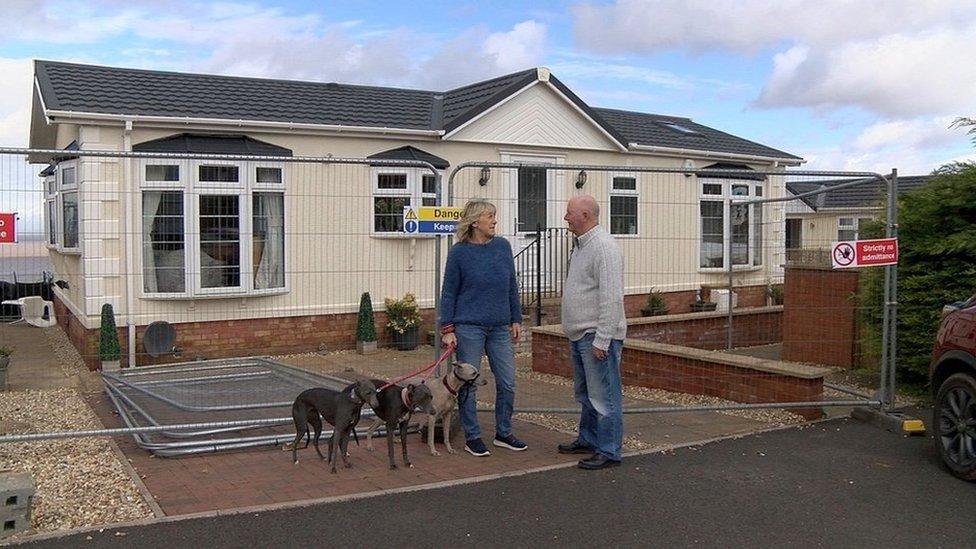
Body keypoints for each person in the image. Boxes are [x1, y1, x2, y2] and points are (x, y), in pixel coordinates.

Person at [440, 200, 526, 457]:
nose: (494, 221)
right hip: (469, 328)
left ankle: (503, 432)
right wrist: (447, 328)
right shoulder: (459, 253)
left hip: (500, 326)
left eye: (494, 217)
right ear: (475, 222)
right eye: (490, 217)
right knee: (469, 383)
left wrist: (516, 318)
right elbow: (449, 292)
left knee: (508, 382)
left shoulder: (502, 247)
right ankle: (472, 436)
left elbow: (512, 284)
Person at [558, 194, 626, 470]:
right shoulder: (581, 245)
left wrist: (602, 339)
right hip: (580, 334)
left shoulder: (603, 248)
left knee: (604, 397)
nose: (565, 218)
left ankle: (608, 450)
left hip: (595, 336)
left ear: (585, 216)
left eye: (569, 213)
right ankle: (588, 438)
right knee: (586, 394)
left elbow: (611, 298)